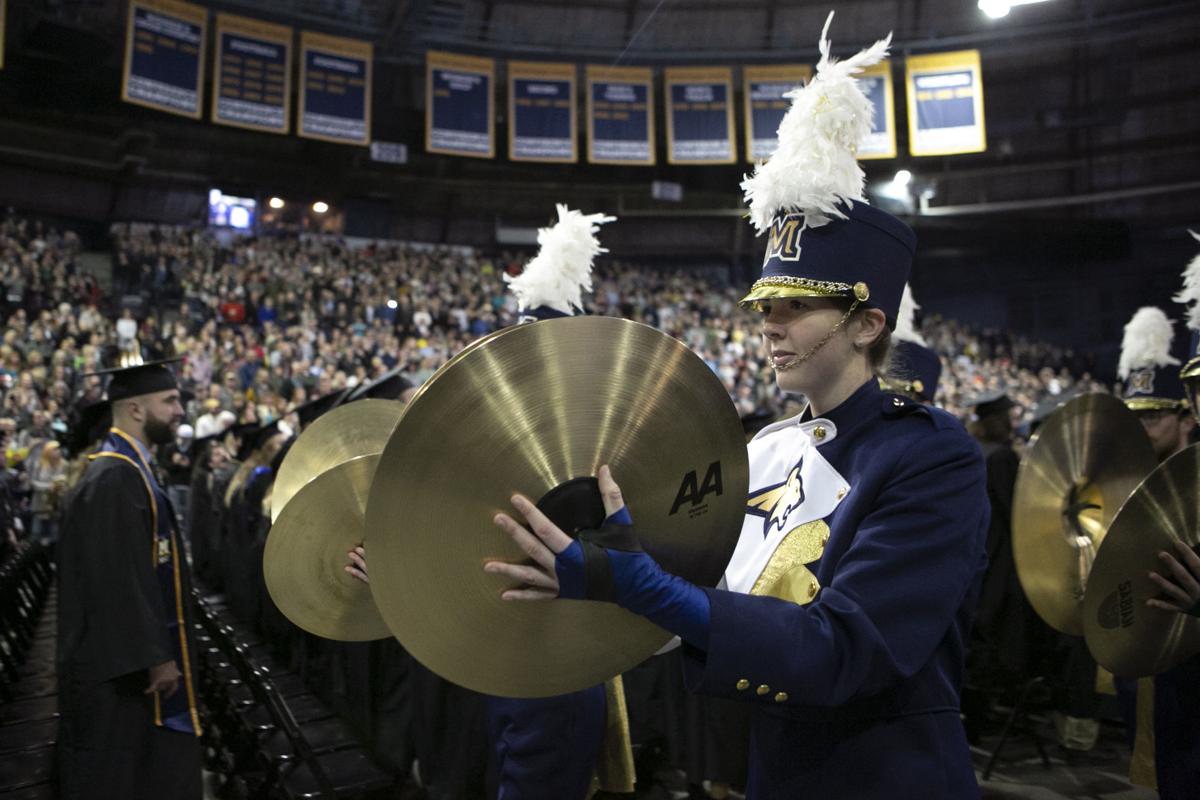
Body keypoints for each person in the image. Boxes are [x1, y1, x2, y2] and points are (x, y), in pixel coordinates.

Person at [485, 16, 989, 798]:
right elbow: (702, 610)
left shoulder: (932, 456)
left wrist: (639, 582)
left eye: (796, 306)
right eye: (764, 305)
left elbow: (841, 650)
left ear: (867, 323)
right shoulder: (766, 451)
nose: (770, 324)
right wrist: (617, 560)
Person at [55, 359, 202, 800]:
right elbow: (116, 581)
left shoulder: (126, 469)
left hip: (123, 659)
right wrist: (156, 655)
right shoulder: (115, 476)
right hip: (117, 670)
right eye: (170, 400)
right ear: (136, 410)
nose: (180, 410)